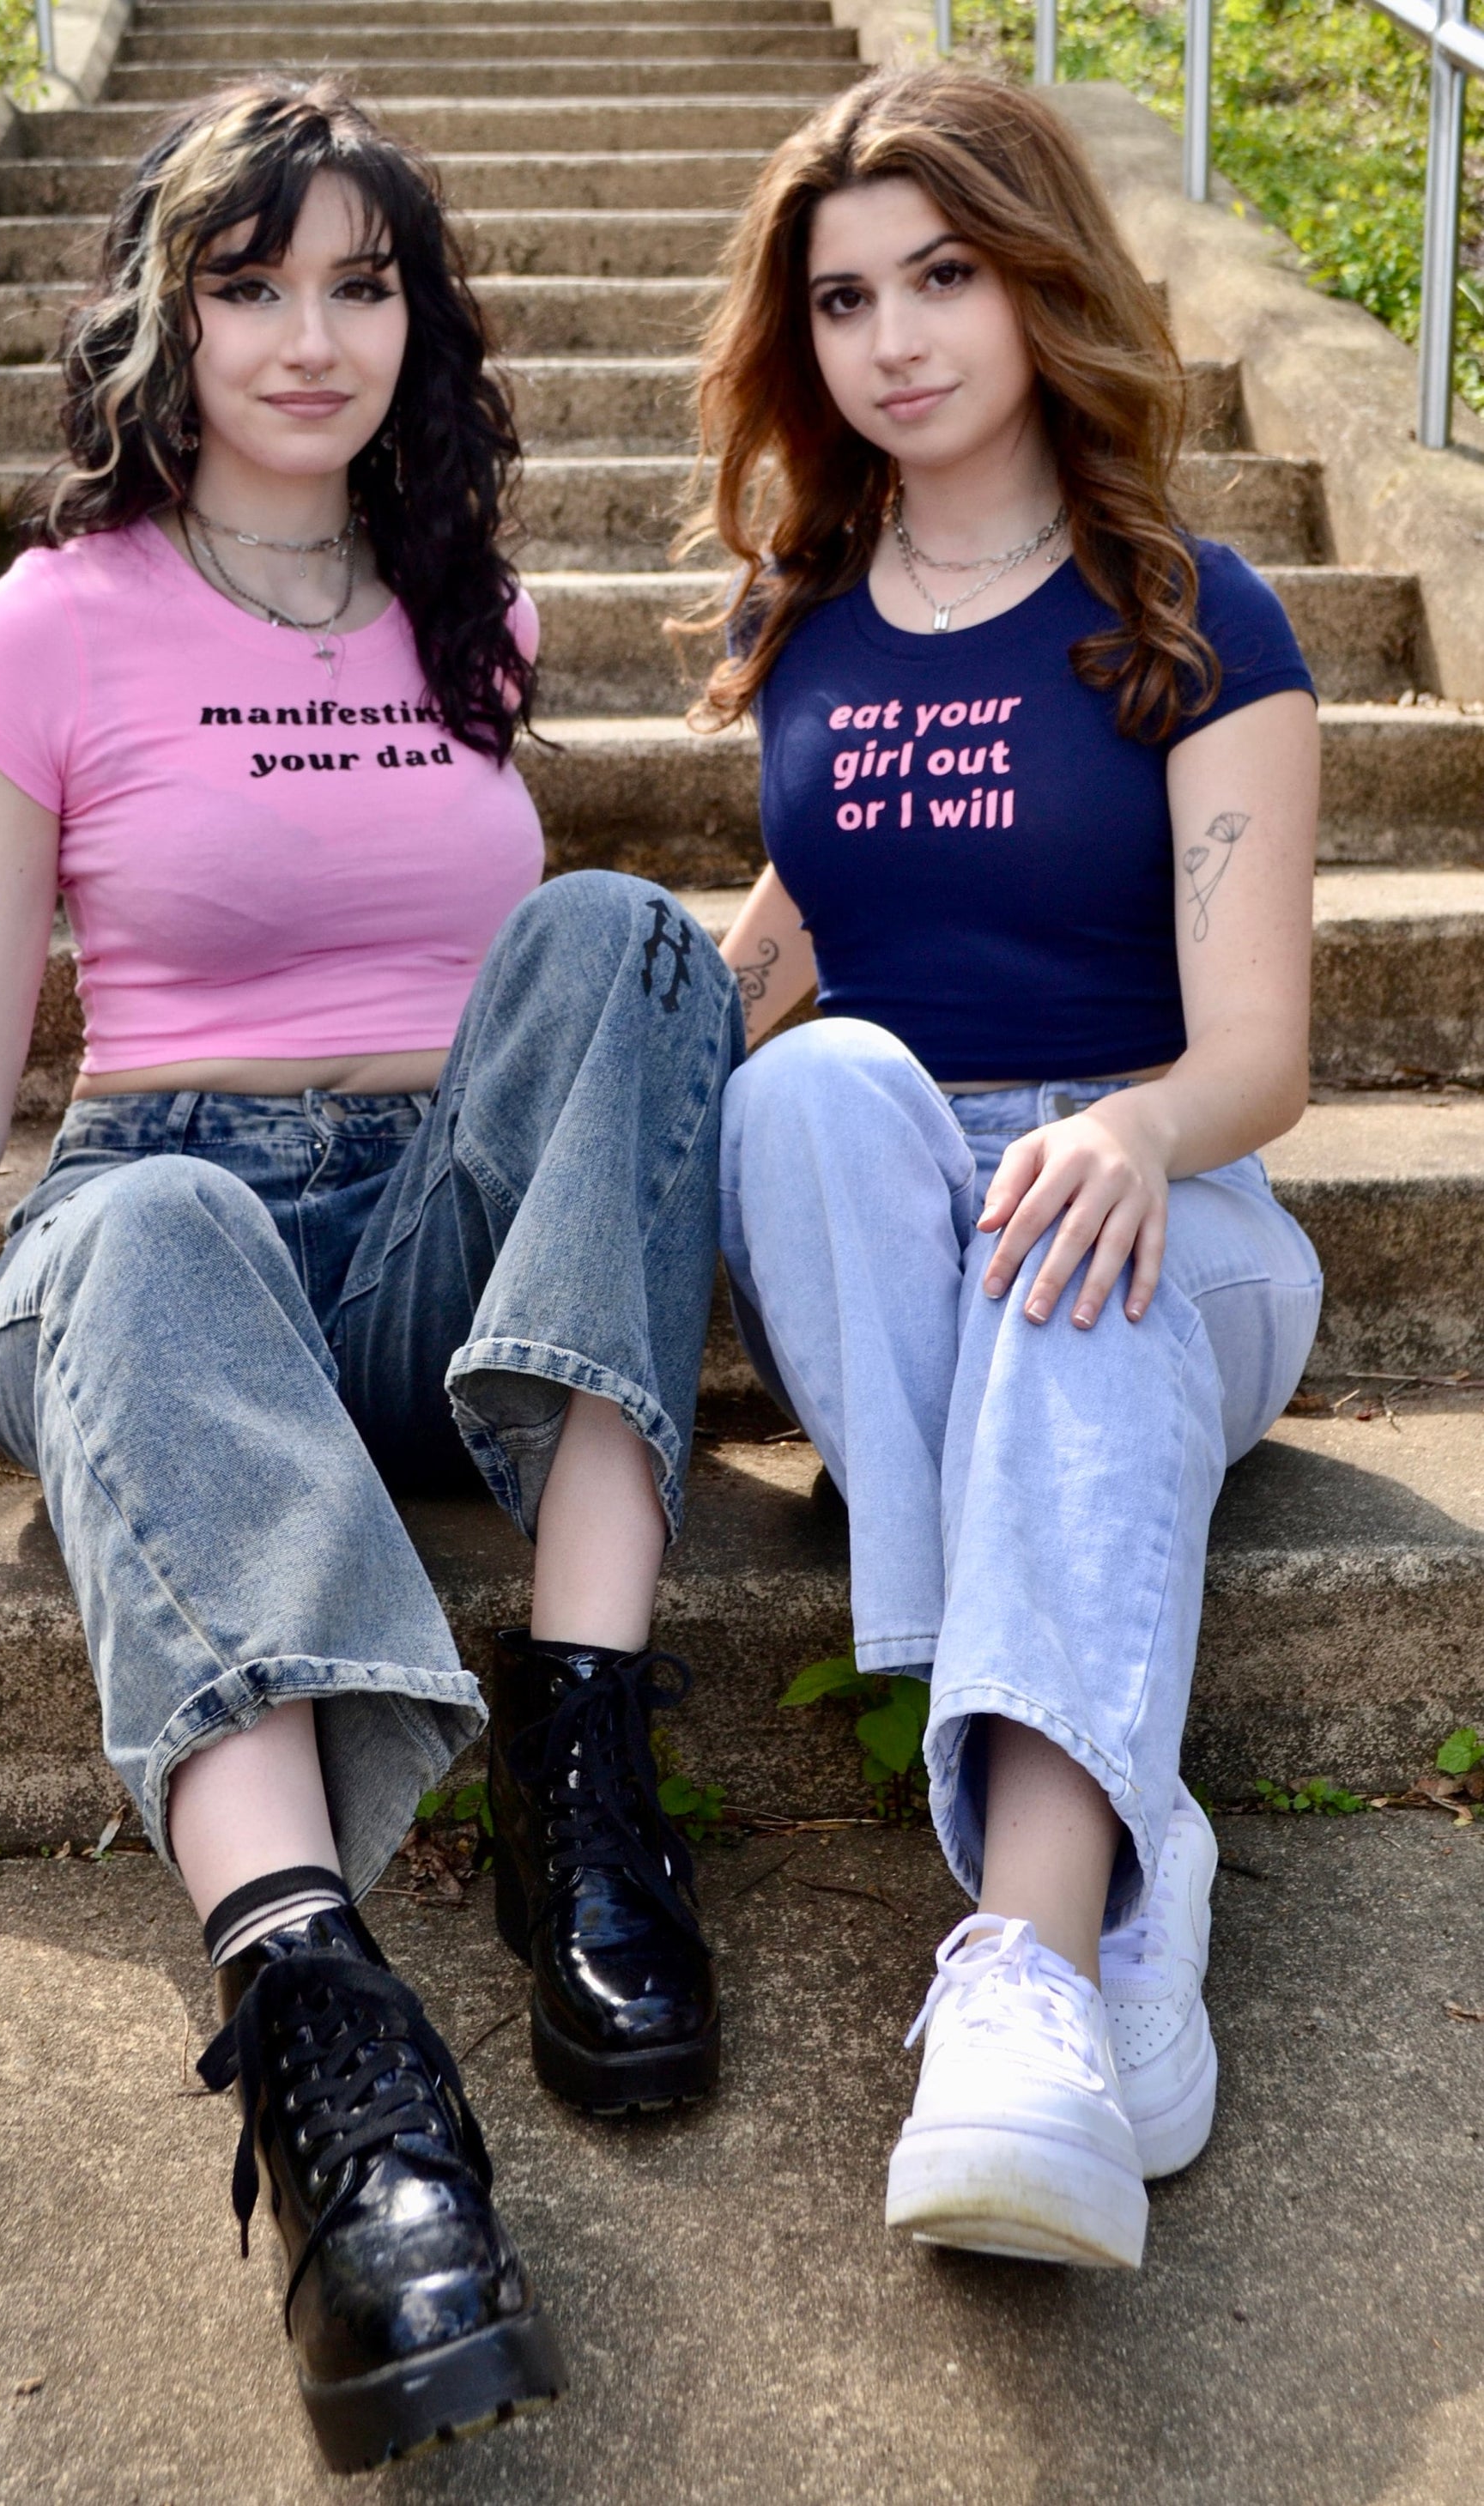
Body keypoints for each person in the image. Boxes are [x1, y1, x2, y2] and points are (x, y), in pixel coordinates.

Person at [0, 81, 742, 2468]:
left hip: (431, 1245)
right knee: (143, 1216)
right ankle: (331, 2045)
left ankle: (580, 1760)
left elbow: (548, 1031)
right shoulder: (36, 637)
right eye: (250, 284)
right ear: (163, 311)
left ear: (418, 321)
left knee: (632, 938)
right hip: (167, 1242)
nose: (310, 337)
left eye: (360, 281)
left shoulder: (475, 610)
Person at [688, 65, 1323, 2270]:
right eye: (846, 295)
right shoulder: (809, 616)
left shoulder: (1197, 610)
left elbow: (1256, 1052)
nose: (892, 335)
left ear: (1040, 273)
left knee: (1065, 1221)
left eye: (944, 272)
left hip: (1172, 1209)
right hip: (900, 1219)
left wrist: (1133, 1126)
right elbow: (791, 945)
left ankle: (1030, 1975)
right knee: (796, 1091)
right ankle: (1122, 1830)